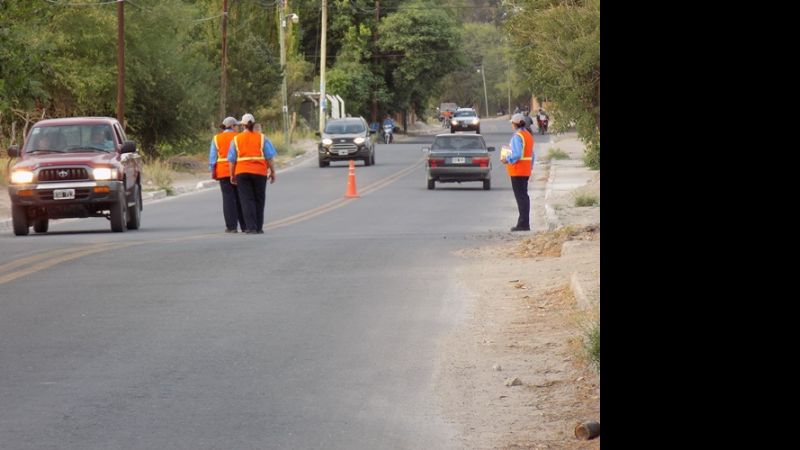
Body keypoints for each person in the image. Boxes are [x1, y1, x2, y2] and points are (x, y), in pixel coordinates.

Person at [227, 113, 277, 234]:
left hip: (242, 172)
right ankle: (259, 227)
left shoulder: (236, 139)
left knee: (246, 200)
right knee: (259, 199)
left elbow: (232, 160)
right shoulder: (262, 138)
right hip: (260, 172)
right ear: (254, 124)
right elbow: (269, 157)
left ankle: (251, 227)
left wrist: (232, 175)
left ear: (242, 125)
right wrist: (273, 171)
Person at [209, 116, 245, 233]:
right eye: (237, 126)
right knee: (241, 198)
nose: (238, 128)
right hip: (238, 170)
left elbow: (213, 158)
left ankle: (231, 227)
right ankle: (245, 225)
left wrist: (213, 171)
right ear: (233, 126)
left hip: (223, 172)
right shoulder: (239, 137)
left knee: (228, 199)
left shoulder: (216, 138)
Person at [501, 113, 535, 232]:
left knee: (520, 198)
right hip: (525, 171)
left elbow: (516, 154)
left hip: (517, 170)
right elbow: (532, 155)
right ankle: (525, 223)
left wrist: (507, 159)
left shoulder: (517, 136)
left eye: (512, 123)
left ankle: (523, 224)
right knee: (524, 197)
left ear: (515, 124)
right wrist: (530, 168)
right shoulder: (528, 135)